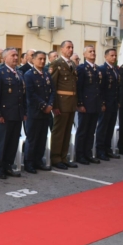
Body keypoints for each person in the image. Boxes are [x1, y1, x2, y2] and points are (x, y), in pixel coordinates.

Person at [0, 48, 26, 179]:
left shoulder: (20, 73)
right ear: (4, 58)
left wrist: (24, 112)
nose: (16, 58)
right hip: (4, 114)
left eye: (17, 55)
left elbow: (23, 95)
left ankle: (8, 165)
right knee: (2, 141)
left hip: (17, 113)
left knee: (13, 141)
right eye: (13, 55)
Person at [49, 40, 78, 170]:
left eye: (72, 47)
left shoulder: (72, 64)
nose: (70, 50)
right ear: (62, 49)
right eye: (68, 47)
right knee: (59, 132)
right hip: (61, 103)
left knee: (67, 131)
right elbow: (53, 85)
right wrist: (55, 105)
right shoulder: (56, 64)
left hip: (71, 103)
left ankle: (63, 157)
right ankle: (55, 158)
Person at [24, 51, 54, 173]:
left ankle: (38, 161)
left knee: (42, 138)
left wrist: (50, 104)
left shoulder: (47, 74)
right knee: (32, 138)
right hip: (34, 111)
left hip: (46, 112)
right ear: (34, 60)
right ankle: (29, 163)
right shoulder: (29, 75)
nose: (42, 61)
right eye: (40, 59)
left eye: (44, 59)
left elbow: (52, 90)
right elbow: (31, 94)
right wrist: (44, 105)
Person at [74, 46, 103, 165]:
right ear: (85, 55)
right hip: (85, 105)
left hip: (95, 104)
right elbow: (79, 87)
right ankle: (80, 155)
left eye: (94, 51)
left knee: (91, 131)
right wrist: (80, 103)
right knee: (83, 131)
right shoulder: (82, 68)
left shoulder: (97, 69)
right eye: (90, 52)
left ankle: (88, 153)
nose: (93, 53)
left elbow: (99, 88)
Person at [95, 48, 120, 160]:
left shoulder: (115, 70)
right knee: (103, 127)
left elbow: (117, 87)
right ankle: (100, 150)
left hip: (114, 102)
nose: (114, 57)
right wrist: (102, 103)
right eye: (111, 55)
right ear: (106, 57)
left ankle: (107, 148)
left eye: (115, 55)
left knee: (110, 127)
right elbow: (100, 88)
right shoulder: (102, 69)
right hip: (106, 103)